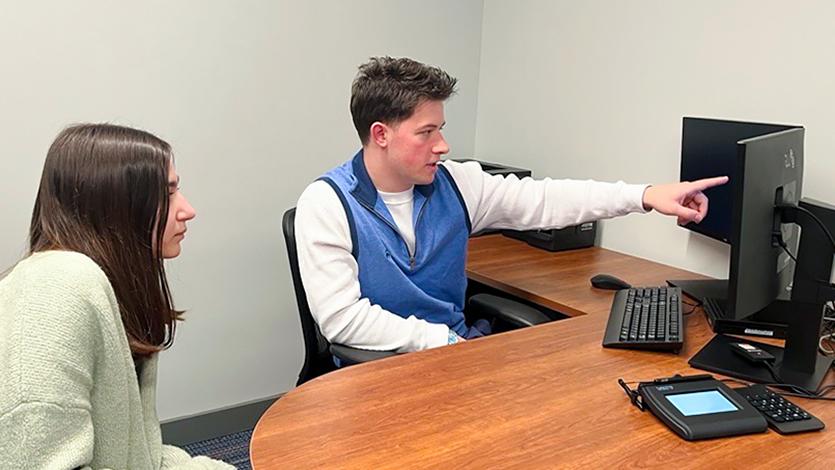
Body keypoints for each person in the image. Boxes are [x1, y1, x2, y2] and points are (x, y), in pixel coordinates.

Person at [294, 56, 728, 354]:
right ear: (381, 134)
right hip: (378, 371)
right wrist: (441, 342)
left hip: (453, 359)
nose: (443, 146)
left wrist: (645, 196)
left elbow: (544, 199)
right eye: (426, 133)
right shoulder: (327, 203)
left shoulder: (457, 185)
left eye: (441, 129)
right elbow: (341, 320)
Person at [0, 124, 233, 469]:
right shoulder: (57, 286)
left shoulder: (96, 284)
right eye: (168, 193)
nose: (187, 209)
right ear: (116, 204)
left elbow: (137, 456)